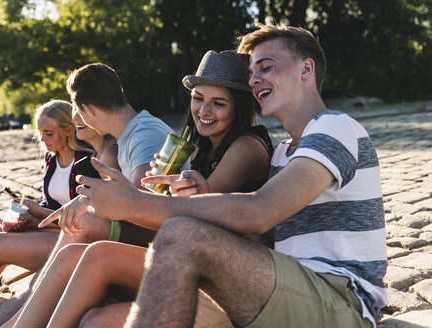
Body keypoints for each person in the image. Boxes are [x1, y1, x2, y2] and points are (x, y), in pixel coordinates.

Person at [74, 24, 387, 328]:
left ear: (306, 70)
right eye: (251, 73)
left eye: (265, 67)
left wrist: (137, 204)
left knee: (180, 234)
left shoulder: (335, 127)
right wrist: (203, 200)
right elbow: (263, 239)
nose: (254, 80)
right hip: (278, 287)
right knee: (99, 321)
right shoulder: (282, 154)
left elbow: (259, 212)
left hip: (340, 300)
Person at [14, 50, 273, 328]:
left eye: (218, 103)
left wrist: (128, 198)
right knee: (76, 257)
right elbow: (161, 203)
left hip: (229, 268)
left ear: (239, 107)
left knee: (94, 250)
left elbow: (192, 211)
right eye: (198, 99)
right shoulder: (198, 146)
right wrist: (150, 187)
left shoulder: (246, 147)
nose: (204, 111)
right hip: (189, 252)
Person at [6, 62, 175, 327]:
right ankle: (22, 317)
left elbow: (144, 204)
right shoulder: (130, 133)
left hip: (162, 242)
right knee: (71, 246)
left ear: (89, 110)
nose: (77, 118)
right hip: (151, 235)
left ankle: (21, 318)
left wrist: (88, 203)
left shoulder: (145, 134)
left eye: (77, 110)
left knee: (84, 223)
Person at [0, 99, 107, 323]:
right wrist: (26, 215)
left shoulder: (86, 163)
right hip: (52, 233)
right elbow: (51, 204)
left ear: (69, 130)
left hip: (74, 241)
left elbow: (88, 221)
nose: (42, 139)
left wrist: (36, 211)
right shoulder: (52, 159)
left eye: (49, 133)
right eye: (40, 133)